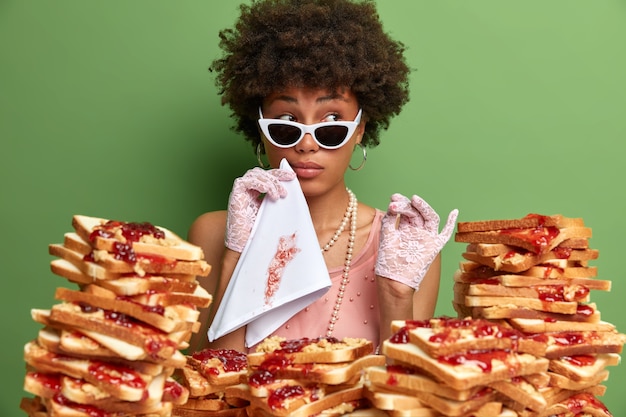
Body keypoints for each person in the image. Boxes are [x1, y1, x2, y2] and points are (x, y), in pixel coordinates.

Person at [187, 0, 458, 353]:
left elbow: (404, 398)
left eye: (332, 124)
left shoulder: (404, 248)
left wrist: (395, 294)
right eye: (286, 124)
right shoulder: (213, 234)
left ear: (360, 128)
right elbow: (209, 387)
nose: (307, 144)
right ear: (261, 129)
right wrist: (239, 253)